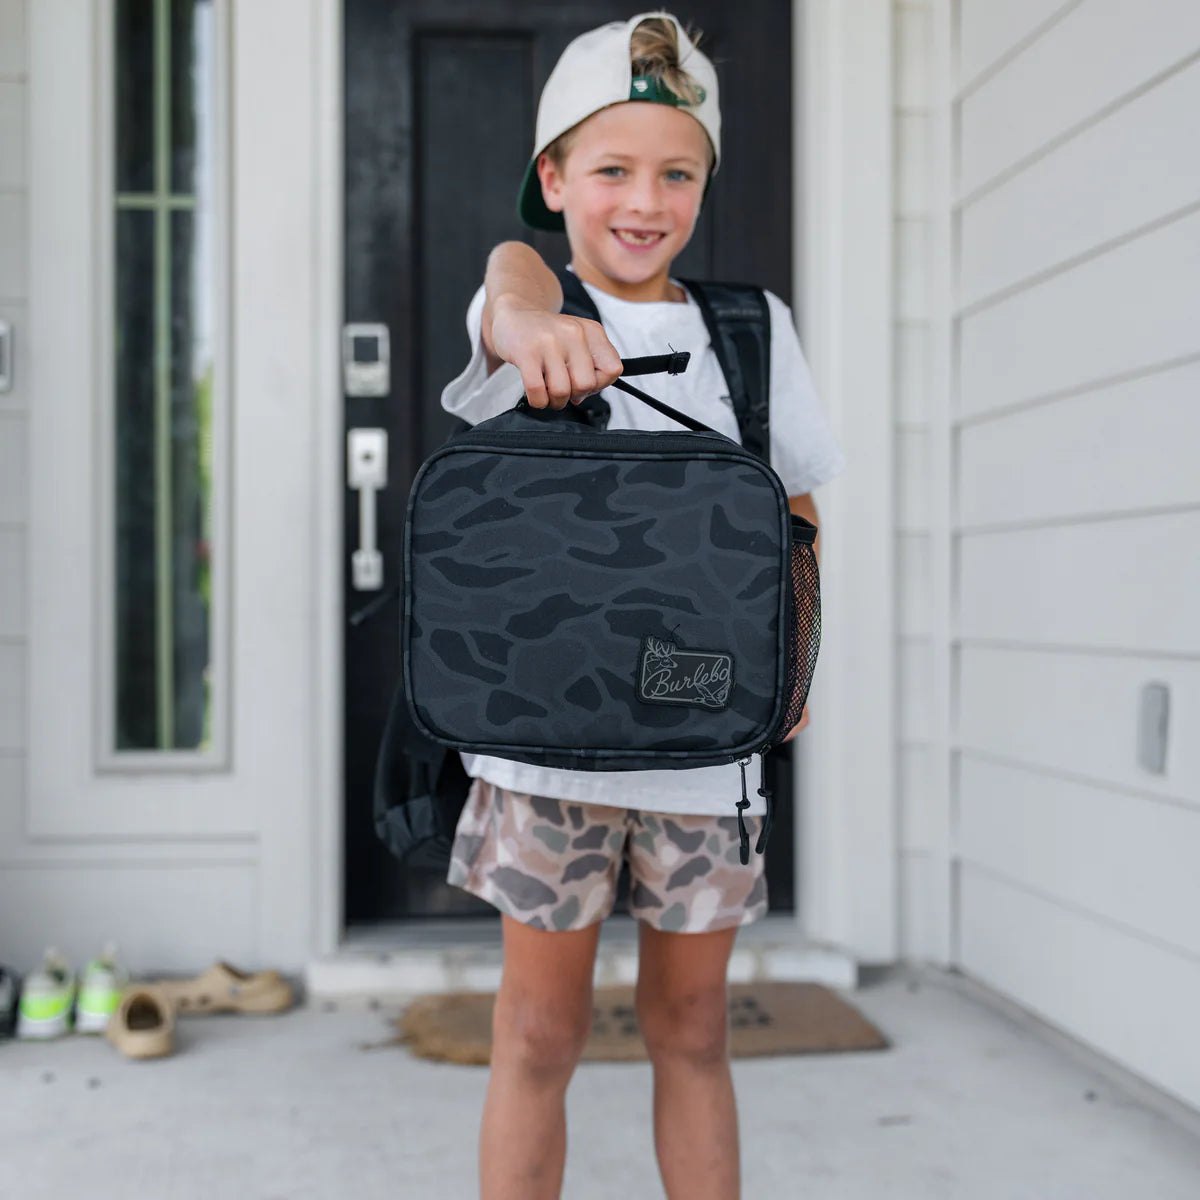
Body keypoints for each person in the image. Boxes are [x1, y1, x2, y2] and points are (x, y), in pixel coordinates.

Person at [438, 13, 845, 1199]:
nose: (644, 201)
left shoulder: (751, 331)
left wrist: (797, 660)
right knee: (537, 1034)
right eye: (611, 168)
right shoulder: (533, 316)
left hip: (704, 748)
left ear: (706, 183)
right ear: (554, 177)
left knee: (695, 1030)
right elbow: (507, 279)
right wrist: (528, 320)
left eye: (677, 174)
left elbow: (796, 512)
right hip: (544, 750)